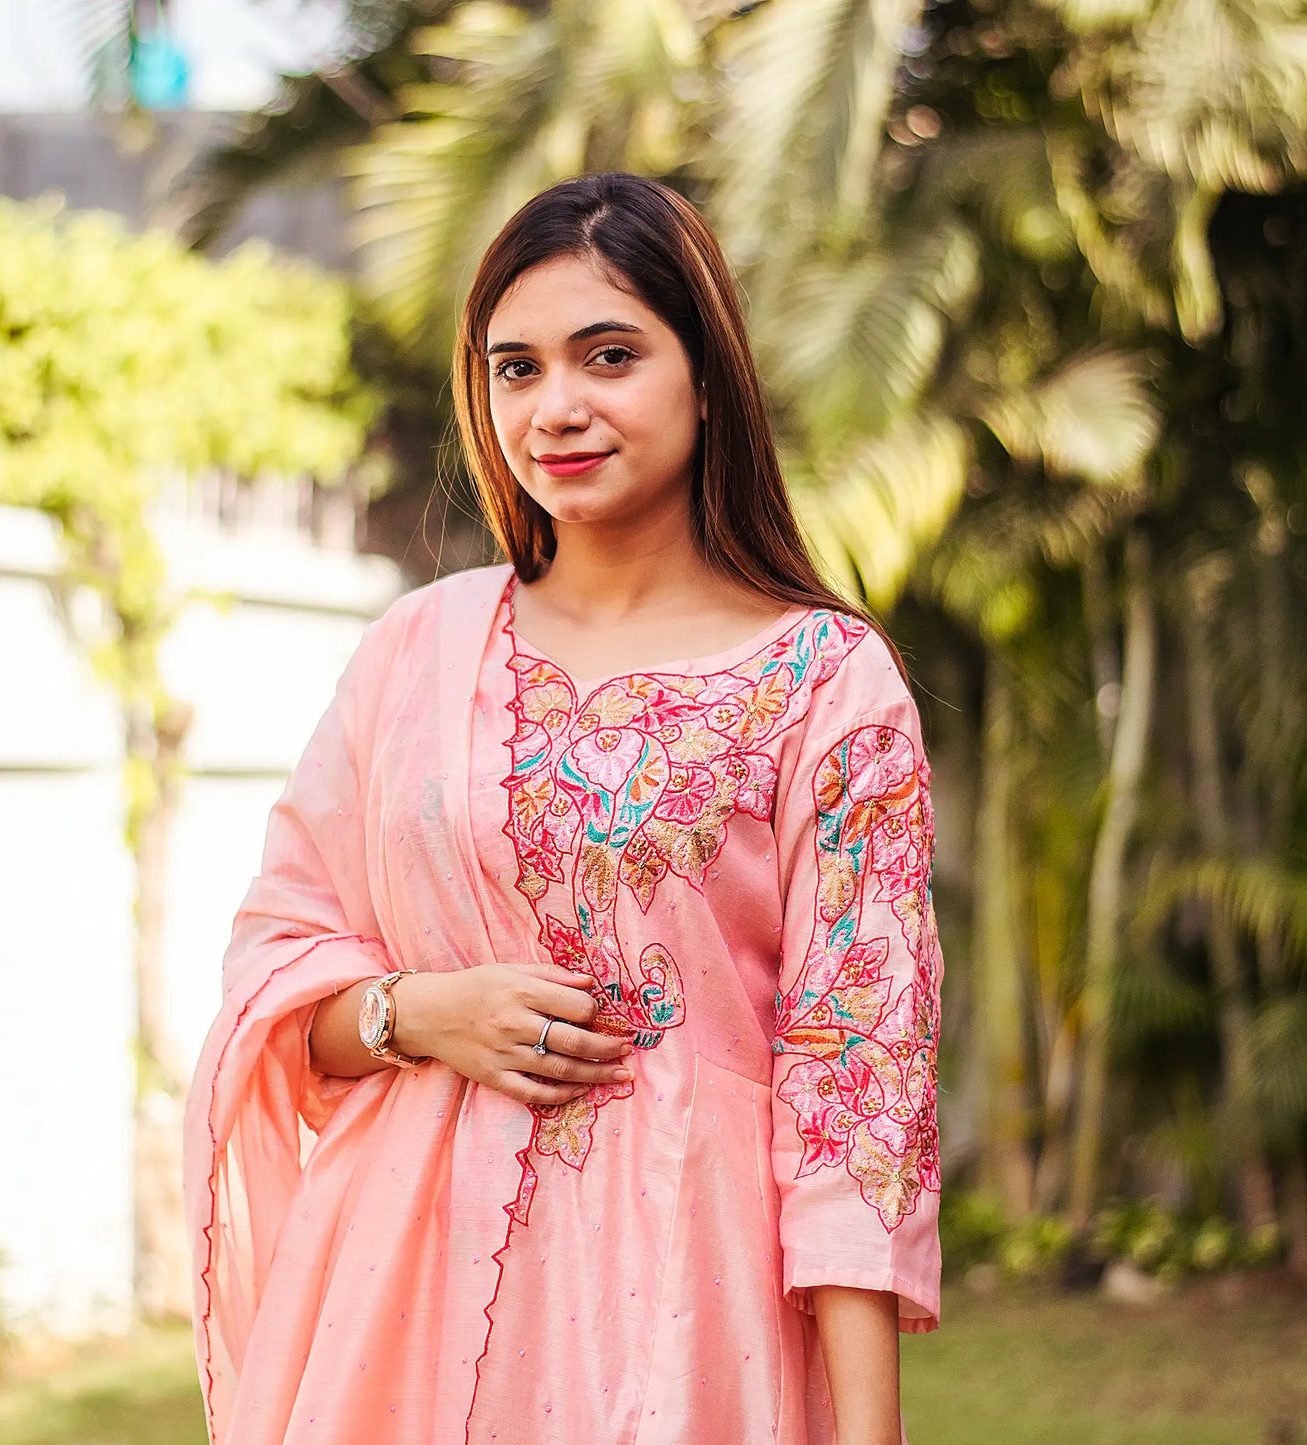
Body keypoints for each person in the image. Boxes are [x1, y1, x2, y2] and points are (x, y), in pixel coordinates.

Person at [183, 172, 942, 1445]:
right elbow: (274, 976)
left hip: (690, 1302)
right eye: (515, 367)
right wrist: (418, 1009)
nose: (556, 407)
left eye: (608, 355)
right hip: (403, 1304)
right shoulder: (414, 652)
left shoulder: (824, 679)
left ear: (708, 375)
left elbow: (858, 1085)